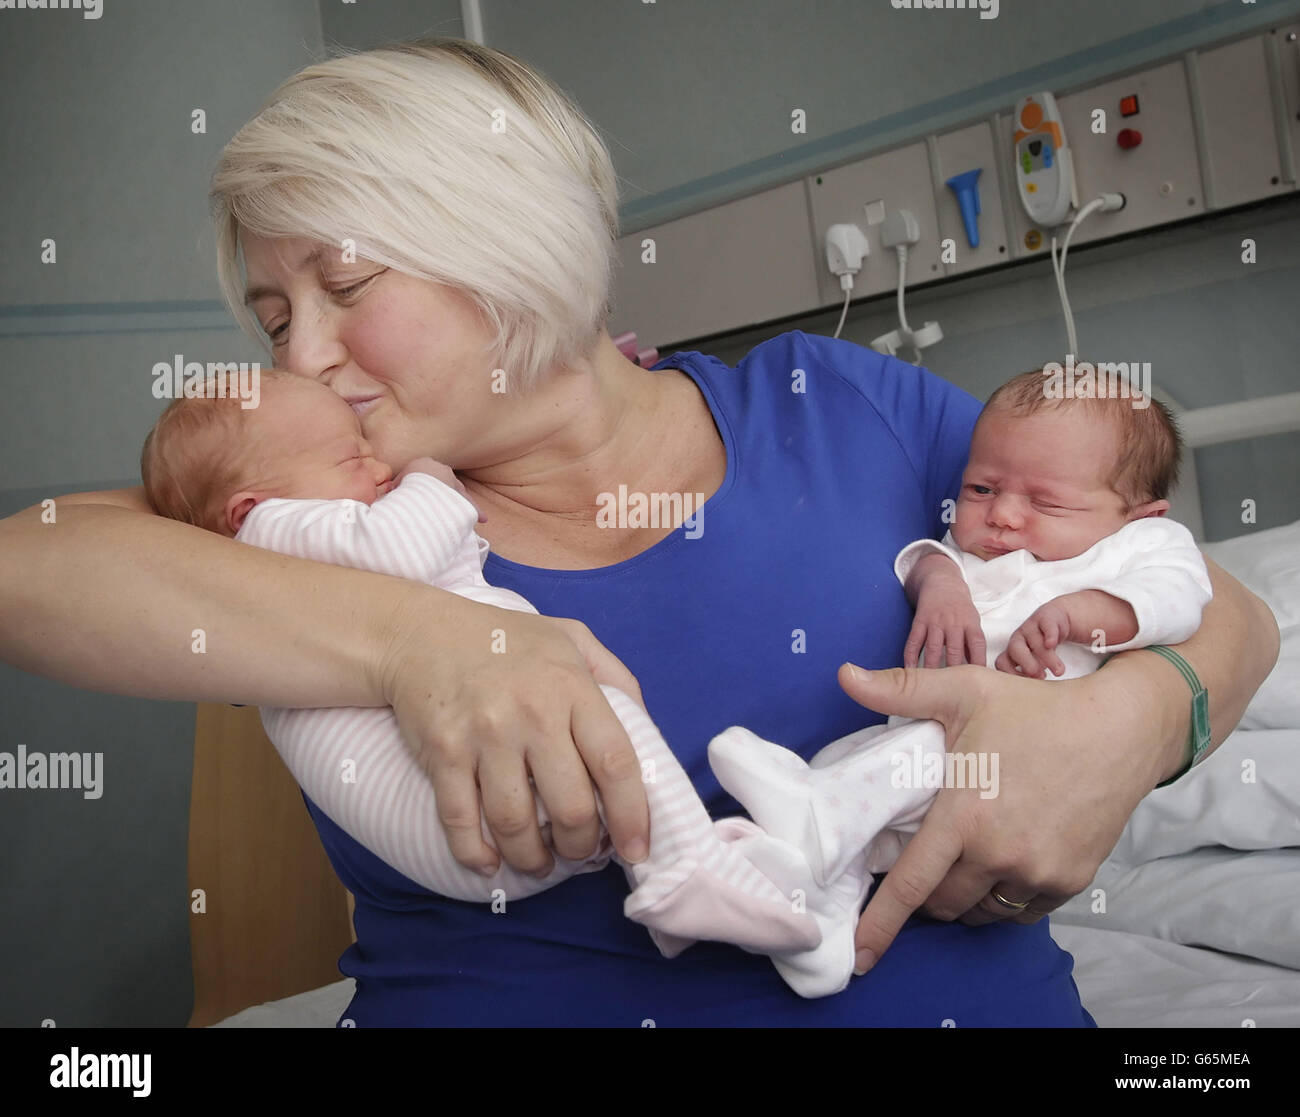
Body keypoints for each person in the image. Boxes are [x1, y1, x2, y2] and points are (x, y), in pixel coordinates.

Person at [0, 37, 1278, 1027]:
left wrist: (1127, 727)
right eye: (276, 317)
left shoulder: (843, 411)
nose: (308, 353)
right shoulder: (321, 515)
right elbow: (28, 567)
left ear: (507, 240)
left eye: (343, 287)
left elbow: (1222, 610)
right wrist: (419, 642)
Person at [140, 369, 823, 960]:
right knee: (594, 708)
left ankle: (736, 853)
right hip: (464, 815)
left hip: (489, 816)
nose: (379, 466)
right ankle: (684, 868)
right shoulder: (268, 537)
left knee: (586, 713)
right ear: (247, 508)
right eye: (350, 458)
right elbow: (399, 550)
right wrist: (434, 483)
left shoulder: (285, 537)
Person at [709, 367, 1212, 996]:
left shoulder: (1142, 548)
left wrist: (1086, 614)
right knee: (859, 758)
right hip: (924, 741)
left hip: (1005, 760)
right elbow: (928, 555)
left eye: (1045, 502)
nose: (1000, 515)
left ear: (1140, 516)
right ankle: (822, 920)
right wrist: (941, 583)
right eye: (979, 487)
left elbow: (1182, 598)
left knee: (908, 761)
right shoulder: (974, 547)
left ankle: (811, 813)